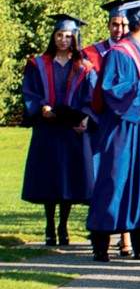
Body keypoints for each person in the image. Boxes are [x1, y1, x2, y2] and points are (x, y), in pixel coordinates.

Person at [87, 0, 140, 262]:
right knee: (115, 180)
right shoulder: (119, 53)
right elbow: (110, 90)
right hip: (121, 128)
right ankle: (101, 241)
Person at [22, 15, 95, 246]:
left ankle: (63, 226)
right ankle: (49, 226)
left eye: (68, 36)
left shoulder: (84, 66)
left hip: (70, 128)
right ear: (53, 37)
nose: (63, 40)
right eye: (59, 35)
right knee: (49, 178)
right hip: (48, 128)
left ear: (75, 38)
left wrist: (84, 116)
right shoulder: (39, 64)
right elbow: (30, 92)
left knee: (68, 179)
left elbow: (90, 97)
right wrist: (41, 106)